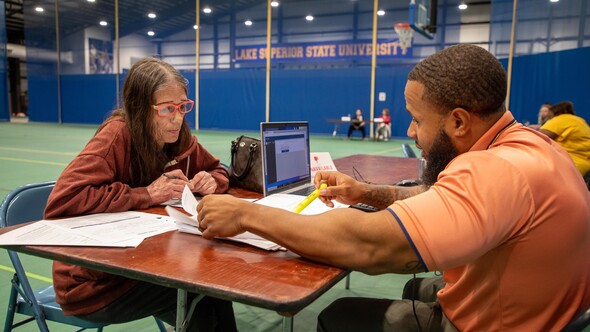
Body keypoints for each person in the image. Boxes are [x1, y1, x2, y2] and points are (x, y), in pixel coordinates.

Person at [195, 44, 590, 331]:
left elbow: (370, 247)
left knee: (339, 316)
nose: (411, 131)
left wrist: (246, 214)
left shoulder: (494, 171)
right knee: (417, 287)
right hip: (547, 311)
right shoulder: (531, 145)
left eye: (417, 119)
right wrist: (365, 193)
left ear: (458, 122)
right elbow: (438, 197)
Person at [44, 57, 237, 331]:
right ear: (139, 108)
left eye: (183, 107)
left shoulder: (177, 136)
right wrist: (146, 194)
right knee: (200, 294)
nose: (178, 118)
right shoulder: (117, 135)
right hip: (94, 282)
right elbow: (63, 200)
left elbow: (219, 169)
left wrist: (213, 181)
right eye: (167, 109)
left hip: (145, 261)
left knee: (215, 285)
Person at [539, 100, 590, 177]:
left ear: (553, 112)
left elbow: (539, 138)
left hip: (568, 165)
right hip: (585, 166)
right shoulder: (580, 120)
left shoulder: (559, 119)